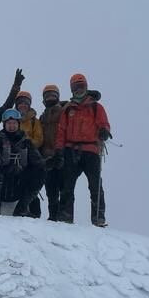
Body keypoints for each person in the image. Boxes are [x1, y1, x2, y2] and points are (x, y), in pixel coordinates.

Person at [54, 73, 110, 226]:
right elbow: (61, 130)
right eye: (76, 87)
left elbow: (104, 123)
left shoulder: (96, 107)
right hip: (70, 150)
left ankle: (98, 217)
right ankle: (65, 216)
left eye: (81, 86)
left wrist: (104, 130)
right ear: (72, 89)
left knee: (95, 185)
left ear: (86, 86)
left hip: (91, 150)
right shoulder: (68, 109)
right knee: (67, 185)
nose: (79, 89)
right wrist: (59, 149)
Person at [0, 109, 46, 217]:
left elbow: (38, 162)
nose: (12, 126)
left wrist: (48, 163)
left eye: (14, 123)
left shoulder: (26, 143)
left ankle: (22, 208)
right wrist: (8, 166)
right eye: (9, 123)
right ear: (4, 125)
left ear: (18, 125)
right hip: (1, 186)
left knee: (40, 172)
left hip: (19, 185)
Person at [13, 90, 44, 217]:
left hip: (30, 158)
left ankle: (34, 212)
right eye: (20, 103)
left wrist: (27, 143)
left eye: (25, 103)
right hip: (15, 157)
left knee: (31, 182)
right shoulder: (13, 119)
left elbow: (39, 139)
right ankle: (20, 208)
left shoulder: (34, 121)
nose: (23, 105)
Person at [38, 84, 65, 222]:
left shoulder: (63, 112)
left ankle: (64, 216)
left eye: (53, 95)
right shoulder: (42, 117)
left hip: (61, 154)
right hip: (47, 156)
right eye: (47, 96)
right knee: (50, 188)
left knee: (64, 187)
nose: (50, 98)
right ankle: (53, 216)